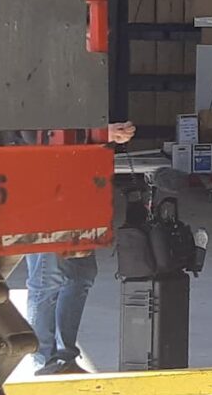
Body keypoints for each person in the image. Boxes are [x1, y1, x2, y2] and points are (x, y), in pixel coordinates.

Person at [26, 121, 138, 375]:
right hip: (44, 193)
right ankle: (43, 360)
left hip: (76, 194)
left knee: (81, 276)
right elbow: (38, 132)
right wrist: (98, 133)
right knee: (46, 280)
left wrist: (102, 132)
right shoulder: (32, 97)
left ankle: (64, 357)